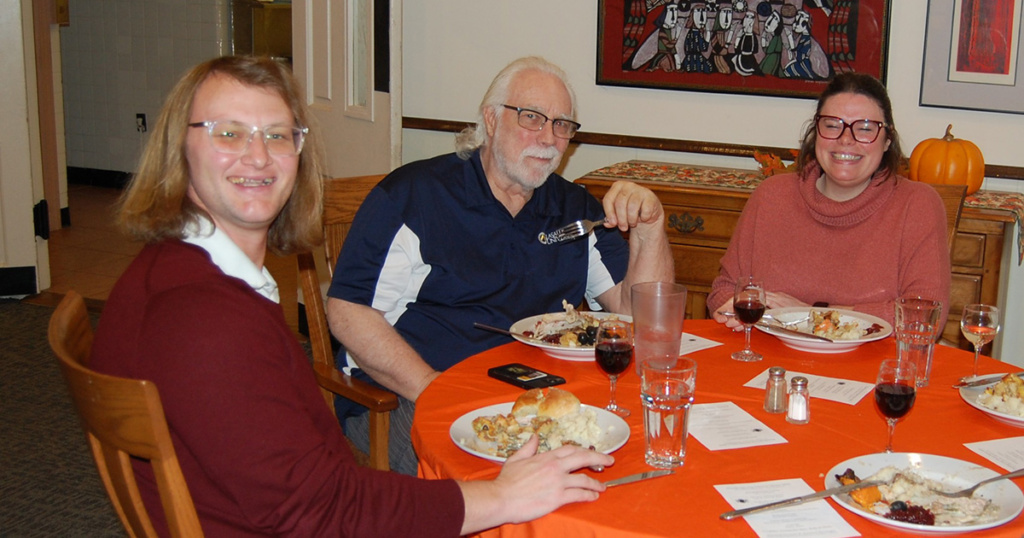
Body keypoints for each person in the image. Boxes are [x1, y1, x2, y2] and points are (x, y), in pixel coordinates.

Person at [90, 55, 613, 537]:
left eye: (276, 135)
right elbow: (318, 510)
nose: (257, 156)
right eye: (229, 133)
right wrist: (496, 499)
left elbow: (306, 484)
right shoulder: (205, 321)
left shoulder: (181, 276)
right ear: (177, 147)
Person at [327, 56, 674, 475]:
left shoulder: (574, 207)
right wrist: (432, 387)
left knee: (638, 453)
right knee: (527, 487)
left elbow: (641, 318)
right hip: (408, 398)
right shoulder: (415, 197)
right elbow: (349, 310)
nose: (549, 137)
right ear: (490, 120)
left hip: (539, 397)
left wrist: (651, 228)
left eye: (562, 125)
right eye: (532, 118)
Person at [709, 72, 951, 329]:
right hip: (773, 363)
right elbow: (723, 290)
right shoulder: (771, 196)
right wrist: (732, 307)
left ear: (887, 141)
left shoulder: (917, 205)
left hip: (870, 368)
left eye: (865, 128)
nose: (846, 139)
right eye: (832, 125)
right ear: (816, 135)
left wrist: (812, 315)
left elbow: (925, 317)